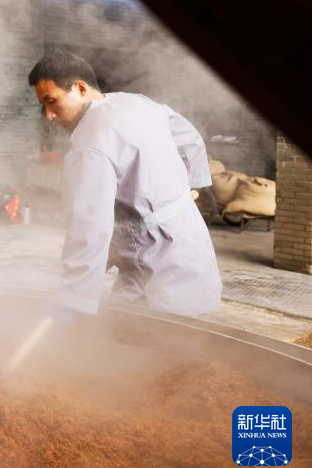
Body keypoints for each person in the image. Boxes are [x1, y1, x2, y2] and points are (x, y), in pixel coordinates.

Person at [28, 49, 222, 318]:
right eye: (43, 106)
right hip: (191, 245)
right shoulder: (135, 103)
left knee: (142, 344)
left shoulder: (89, 145)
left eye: (52, 101)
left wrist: (74, 297)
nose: (48, 114)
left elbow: (89, 227)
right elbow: (188, 135)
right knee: (189, 341)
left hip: (155, 268)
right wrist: (193, 183)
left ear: (80, 88)